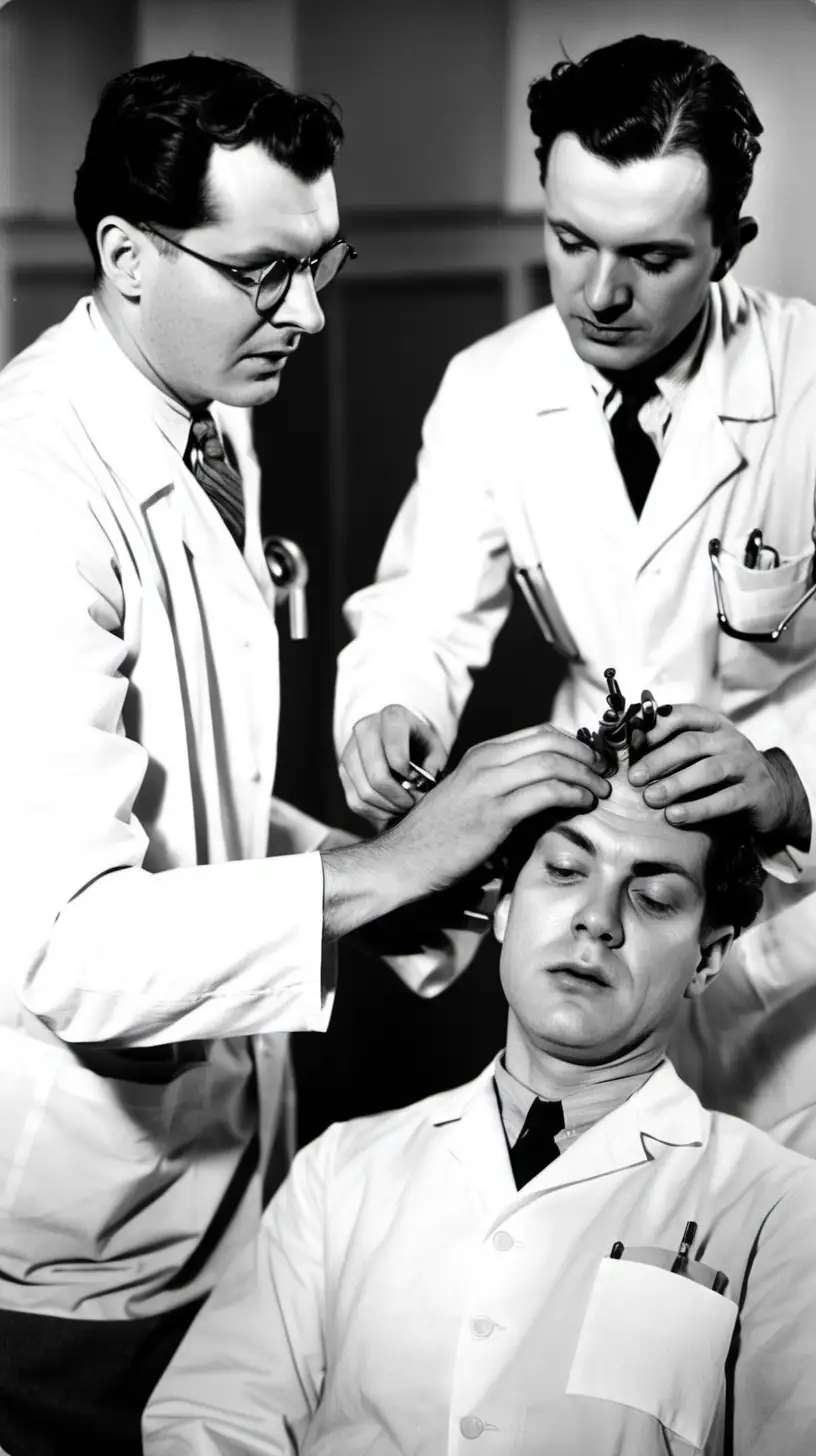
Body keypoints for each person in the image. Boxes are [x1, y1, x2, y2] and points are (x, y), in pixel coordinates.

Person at [1, 54, 615, 1454]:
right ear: (123, 255)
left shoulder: (205, 409)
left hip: (220, 1164)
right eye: (270, 272)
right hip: (75, 1234)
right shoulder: (30, 494)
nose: (316, 314)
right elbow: (68, 942)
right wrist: (401, 854)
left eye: (325, 265)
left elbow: (180, 808)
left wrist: (398, 881)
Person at [334, 34, 816, 1155]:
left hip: (792, 946)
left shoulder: (807, 386)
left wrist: (789, 786)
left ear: (728, 245)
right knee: (588, 1231)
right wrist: (388, 712)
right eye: (568, 241)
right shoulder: (493, 386)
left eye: (650, 256)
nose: (599, 294)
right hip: (597, 885)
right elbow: (419, 611)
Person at [142, 698, 816, 1455]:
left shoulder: (780, 1209)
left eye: (654, 897)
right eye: (564, 870)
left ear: (709, 957)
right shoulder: (340, 1174)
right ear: (501, 910)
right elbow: (208, 1427)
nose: (598, 919)